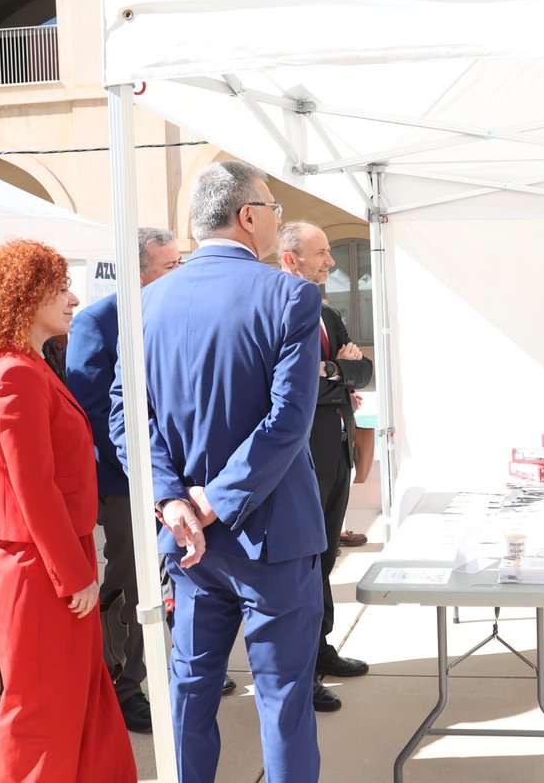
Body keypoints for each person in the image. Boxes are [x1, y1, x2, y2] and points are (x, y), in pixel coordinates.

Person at [110, 160, 326, 783]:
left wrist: (173, 500)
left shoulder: (147, 303)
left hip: (189, 542)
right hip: (271, 537)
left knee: (191, 687)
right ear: (249, 216)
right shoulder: (290, 294)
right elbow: (289, 421)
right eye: (274, 209)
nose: (277, 220)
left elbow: (127, 416)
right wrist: (212, 500)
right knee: (283, 698)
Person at [0, 239, 136, 782]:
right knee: (43, 709)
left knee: (77, 697)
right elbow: (33, 488)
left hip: (50, 556)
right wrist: (72, 573)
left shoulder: (25, 365)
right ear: (25, 296)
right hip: (39, 564)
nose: (73, 299)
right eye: (60, 289)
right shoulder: (14, 372)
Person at [65, 226, 185, 732]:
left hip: (176, 478)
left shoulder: (177, 310)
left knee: (176, 575)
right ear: (137, 273)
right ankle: (123, 685)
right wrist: (145, 473)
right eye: (169, 265)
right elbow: (92, 411)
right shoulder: (98, 321)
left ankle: (175, 665)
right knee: (131, 583)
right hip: (124, 482)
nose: (179, 272)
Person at [278, 221, 373, 713]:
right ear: (290, 259)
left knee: (326, 555)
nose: (331, 262)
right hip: (302, 458)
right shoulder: (278, 310)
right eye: (321, 254)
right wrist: (338, 375)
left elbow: (363, 371)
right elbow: (295, 389)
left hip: (337, 451)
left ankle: (321, 647)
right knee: (306, 562)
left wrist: (332, 369)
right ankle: (304, 670)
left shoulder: (328, 313)